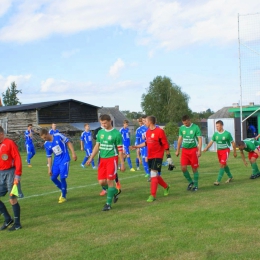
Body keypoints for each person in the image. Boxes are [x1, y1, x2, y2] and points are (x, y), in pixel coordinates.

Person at [86, 114, 125, 211]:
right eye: (101, 123)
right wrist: (91, 158)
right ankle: (115, 191)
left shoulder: (116, 134)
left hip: (112, 159)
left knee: (109, 181)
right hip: (102, 160)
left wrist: (122, 163)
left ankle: (108, 204)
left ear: (110, 121)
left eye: (105, 123)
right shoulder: (100, 132)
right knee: (101, 182)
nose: (103, 125)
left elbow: (120, 150)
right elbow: (96, 146)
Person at [131, 116, 173, 202]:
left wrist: (169, 157)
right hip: (150, 155)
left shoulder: (160, 131)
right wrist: (136, 146)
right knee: (155, 175)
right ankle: (166, 186)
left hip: (158, 155)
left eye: (145, 121)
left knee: (153, 174)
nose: (144, 122)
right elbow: (146, 143)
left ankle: (152, 195)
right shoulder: (147, 132)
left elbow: (165, 144)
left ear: (150, 122)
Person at [40, 129, 77, 203]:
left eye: (44, 137)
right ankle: (64, 189)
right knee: (53, 178)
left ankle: (63, 196)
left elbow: (68, 143)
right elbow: (49, 156)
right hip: (56, 161)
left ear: (47, 133)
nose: (44, 139)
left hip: (65, 159)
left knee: (62, 178)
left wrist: (73, 153)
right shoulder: (46, 144)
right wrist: (49, 168)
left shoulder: (58, 136)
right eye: (43, 138)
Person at [0, 126, 22, 231]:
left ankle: (17, 224)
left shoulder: (9, 143)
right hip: (1, 174)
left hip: (11, 173)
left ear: (1, 134)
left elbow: (17, 158)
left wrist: (17, 175)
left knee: (12, 199)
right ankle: (8, 219)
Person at [203, 120, 237, 185]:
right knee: (224, 164)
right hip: (219, 151)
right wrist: (206, 148)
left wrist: (234, 152)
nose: (217, 127)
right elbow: (211, 142)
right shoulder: (215, 134)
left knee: (221, 165)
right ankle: (230, 177)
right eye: (216, 126)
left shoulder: (227, 134)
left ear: (221, 126)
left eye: (218, 126)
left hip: (225, 151)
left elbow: (233, 143)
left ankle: (217, 181)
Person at [175, 115, 202, 191]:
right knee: (183, 168)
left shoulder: (195, 127)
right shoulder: (182, 128)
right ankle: (191, 182)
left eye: (186, 123)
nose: (185, 124)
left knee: (194, 169)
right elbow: (180, 139)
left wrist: (199, 150)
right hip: (184, 150)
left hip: (193, 150)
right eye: (184, 123)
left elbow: (199, 139)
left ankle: (196, 186)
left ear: (189, 120)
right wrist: (178, 150)